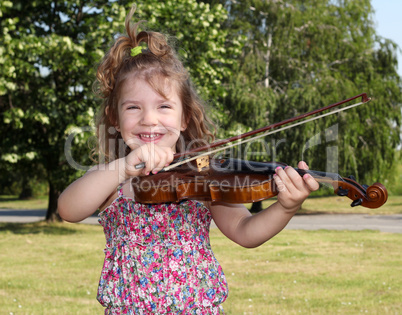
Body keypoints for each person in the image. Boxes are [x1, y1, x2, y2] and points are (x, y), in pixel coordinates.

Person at [58, 6, 319, 315]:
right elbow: (68, 209)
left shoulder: (200, 178)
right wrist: (123, 168)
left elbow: (246, 232)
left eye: (164, 107)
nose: (149, 120)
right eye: (133, 108)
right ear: (114, 118)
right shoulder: (111, 179)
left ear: (184, 118)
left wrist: (286, 207)